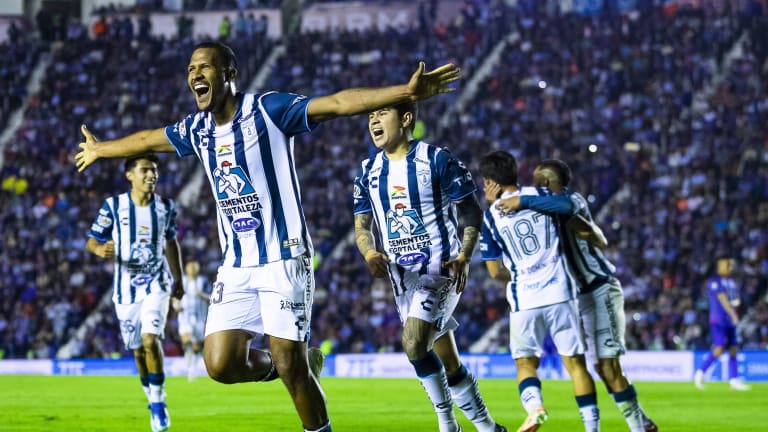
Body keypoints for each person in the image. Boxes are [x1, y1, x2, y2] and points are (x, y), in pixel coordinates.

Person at [75, 40, 460, 432]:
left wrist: (405, 92)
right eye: (191, 69)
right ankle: (298, 361)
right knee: (220, 363)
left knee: (291, 369)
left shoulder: (268, 110)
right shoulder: (197, 129)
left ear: (229, 74)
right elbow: (148, 139)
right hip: (236, 265)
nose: (195, 75)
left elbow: (340, 103)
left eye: (205, 67)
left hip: (284, 258)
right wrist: (101, 149)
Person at [353, 102, 506, 432]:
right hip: (402, 279)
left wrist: (465, 254)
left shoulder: (437, 159)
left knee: (413, 343)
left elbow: (470, 210)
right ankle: (491, 429)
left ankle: (447, 423)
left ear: (406, 118)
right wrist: (368, 252)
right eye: (370, 116)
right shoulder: (367, 171)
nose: (374, 120)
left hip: (441, 270)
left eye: (382, 114)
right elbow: (362, 225)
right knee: (449, 363)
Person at [495, 159, 658, 432]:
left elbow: (568, 209)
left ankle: (639, 427)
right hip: (572, 296)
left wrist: (521, 200)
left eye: (538, 181)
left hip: (598, 289)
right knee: (595, 367)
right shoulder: (541, 208)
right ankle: (641, 421)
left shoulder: (570, 200)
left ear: (548, 183)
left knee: (607, 368)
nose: (533, 185)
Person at [478, 151, 600, 432]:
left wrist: (520, 273)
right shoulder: (539, 194)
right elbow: (570, 206)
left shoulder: (491, 218)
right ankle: (593, 428)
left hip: (525, 298)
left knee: (525, 363)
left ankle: (535, 409)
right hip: (560, 292)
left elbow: (495, 272)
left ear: (489, 182)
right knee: (576, 365)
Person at [85, 153, 183, 432]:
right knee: (138, 350)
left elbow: (171, 242)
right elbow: (92, 239)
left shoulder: (166, 207)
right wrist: (98, 249)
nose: (151, 175)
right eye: (145, 170)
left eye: (154, 171)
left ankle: (158, 402)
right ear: (130, 175)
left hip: (157, 284)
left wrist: (178, 278)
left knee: (151, 340)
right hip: (125, 291)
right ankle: (150, 394)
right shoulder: (113, 207)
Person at [694, 255, 751, 391]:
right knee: (719, 349)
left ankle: (734, 380)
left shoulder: (731, 282)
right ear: (719, 266)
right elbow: (723, 299)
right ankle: (700, 372)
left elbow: (733, 299)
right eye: (727, 265)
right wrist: (733, 315)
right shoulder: (714, 281)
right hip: (719, 319)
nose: (730, 267)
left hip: (730, 320)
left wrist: (735, 307)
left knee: (733, 349)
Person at [173, 260, 210, 382]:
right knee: (186, 340)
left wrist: (202, 295)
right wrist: (176, 306)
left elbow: (212, 297)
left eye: (194, 269)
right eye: (190, 268)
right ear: (187, 269)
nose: (192, 271)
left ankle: (192, 369)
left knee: (196, 345)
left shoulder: (203, 281)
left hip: (200, 317)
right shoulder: (182, 281)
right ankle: (190, 367)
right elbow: (175, 297)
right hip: (185, 316)